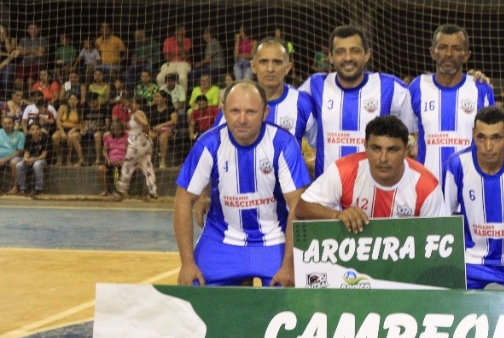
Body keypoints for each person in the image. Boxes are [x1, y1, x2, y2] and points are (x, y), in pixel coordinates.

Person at [173, 81, 310, 286]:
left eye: (251, 112)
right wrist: (187, 263)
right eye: (235, 111)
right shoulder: (208, 144)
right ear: (223, 111)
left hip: (274, 239)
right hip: (222, 239)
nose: (242, 120)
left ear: (265, 113)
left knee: (290, 293)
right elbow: (183, 200)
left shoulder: (283, 144)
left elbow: (297, 207)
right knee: (193, 286)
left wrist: (289, 265)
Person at [440, 106, 504, 290]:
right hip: (470, 262)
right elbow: (443, 219)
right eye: (481, 137)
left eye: (496, 138)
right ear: (473, 134)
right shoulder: (457, 165)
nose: (488, 147)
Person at [296, 115, 445, 231]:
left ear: (406, 150)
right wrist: (337, 215)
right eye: (376, 148)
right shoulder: (344, 171)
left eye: (392, 150)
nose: (383, 158)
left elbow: (440, 233)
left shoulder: (426, 185)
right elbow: (302, 208)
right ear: (365, 147)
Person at [304, 25, 414, 177]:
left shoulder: (391, 88)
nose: (348, 58)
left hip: (376, 190)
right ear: (330, 56)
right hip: (327, 193)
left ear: (367, 54)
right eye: (340, 52)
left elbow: (412, 133)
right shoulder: (315, 85)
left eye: (355, 51)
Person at [406, 24, 495, 180]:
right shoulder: (417, 87)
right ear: (432, 53)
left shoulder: (481, 89)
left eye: (456, 48)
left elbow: (493, 140)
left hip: (469, 185)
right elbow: (404, 132)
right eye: (442, 47)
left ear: (466, 55)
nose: (448, 53)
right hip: (427, 187)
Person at [112, 96, 158, 201]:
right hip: (144, 144)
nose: (131, 104)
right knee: (147, 167)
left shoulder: (137, 113)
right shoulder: (135, 113)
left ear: (138, 104)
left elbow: (145, 124)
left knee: (127, 165)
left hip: (137, 144)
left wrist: (147, 135)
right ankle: (153, 192)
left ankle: (121, 190)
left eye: (133, 102)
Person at [14, 121, 50, 196]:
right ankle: (23, 188)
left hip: (42, 160)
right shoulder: (28, 138)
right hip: (31, 158)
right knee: (19, 165)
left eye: (37, 129)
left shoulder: (46, 139)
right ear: (30, 131)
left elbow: (44, 156)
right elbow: (26, 153)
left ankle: (38, 189)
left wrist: (32, 160)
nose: (35, 131)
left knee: (36, 165)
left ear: (40, 130)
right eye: (33, 129)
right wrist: (25, 159)